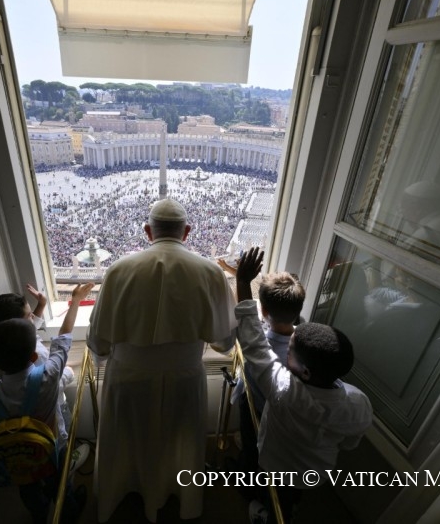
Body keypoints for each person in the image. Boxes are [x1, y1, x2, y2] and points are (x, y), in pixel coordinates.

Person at [87, 198, 237, 523]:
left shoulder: (118, 270)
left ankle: (127, 492)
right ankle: (179, 497)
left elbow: (98, 343)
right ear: (187, 231)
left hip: (128, 378)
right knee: (179, 441)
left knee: (128, 440)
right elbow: (225, 343)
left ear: (147, 231)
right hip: (185, 378)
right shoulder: (211, 272)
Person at [234, 247, 372, 524]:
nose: (286, 351)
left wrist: (242, 281)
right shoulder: (359, 403)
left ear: (306, 371)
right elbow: (349, 442)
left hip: (277, 464)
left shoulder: (285, 391)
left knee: (275, 500)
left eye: (290, 351)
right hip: (316, 471)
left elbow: (254, 344)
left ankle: (267, 514)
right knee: (291, 495)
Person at [0, 282, 94, 524]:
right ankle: (69, 509)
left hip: (17, 458)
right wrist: (76, 301)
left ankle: (38, 514)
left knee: (28, 486)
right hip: (53, 445)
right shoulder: (48, 377)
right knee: (60, 481)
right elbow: (63, 339)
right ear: (34, 355)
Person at [0, 285, 89, 470]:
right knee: (60, 453)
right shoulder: (41, 361)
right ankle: (68, 467)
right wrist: (67, 373)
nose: (34, 317)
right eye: (29, 315)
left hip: (18, 454)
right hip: (52, 428)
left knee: (34, 470)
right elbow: (55, 378)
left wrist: (41, 305)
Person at [232, 269, 306, 483]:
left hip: (255, 408)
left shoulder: (261, 348)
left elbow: (251, 335)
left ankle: (246, 482)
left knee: (250, 446)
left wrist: (243, 282)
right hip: (283, 419)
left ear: (263, 311)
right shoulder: (305, 345)